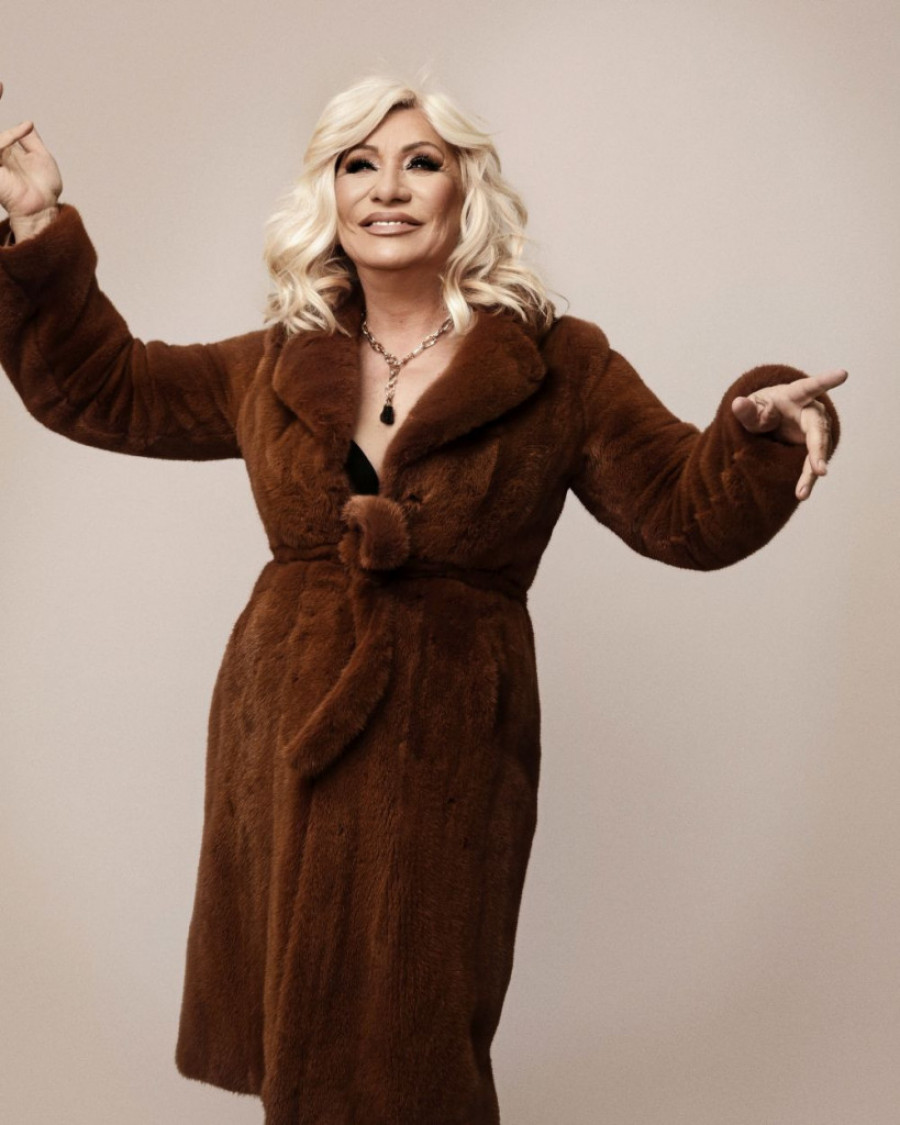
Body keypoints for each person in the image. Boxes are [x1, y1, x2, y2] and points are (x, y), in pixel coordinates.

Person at [0, 75, 845, 1125]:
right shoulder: (278, 358)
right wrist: (37, 222)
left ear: (464, 191)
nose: (387, 189)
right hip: (284, 739)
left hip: (447, 752)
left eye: (421, 163)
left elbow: (682, 509)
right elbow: (103, 387)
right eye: (359, 164)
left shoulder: (557, 364)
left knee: (414, 1054)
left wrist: (755, 430)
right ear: (329, 193)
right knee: (300, 1052)